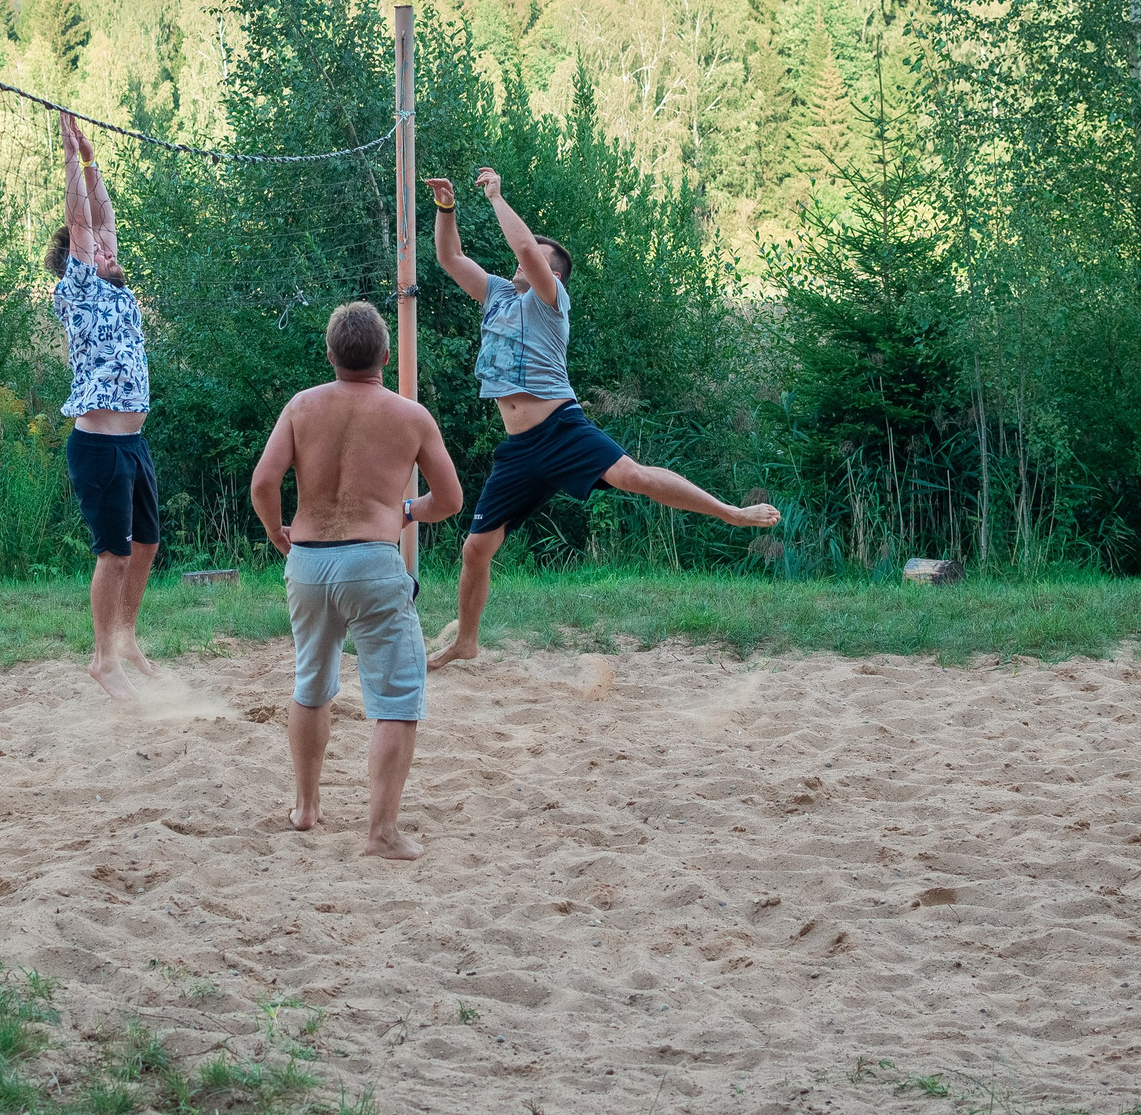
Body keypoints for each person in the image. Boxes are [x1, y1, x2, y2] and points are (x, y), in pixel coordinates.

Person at [421, 166, 779, 670]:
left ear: (554, 275)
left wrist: (498, 198)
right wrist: (446, 207)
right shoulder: (500, 294)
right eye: (526, 258)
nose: (522, 261)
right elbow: (450, 256)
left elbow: (526, 250)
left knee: (632, 476)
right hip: (520, 449)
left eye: (538, 259)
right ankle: (466, 640)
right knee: (476, 549)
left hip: (561, 428)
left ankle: (731, 512)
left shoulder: (551, 301)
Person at [249, 302, 464, 860]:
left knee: (310, 683)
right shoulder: (410, 416)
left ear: (330, 354)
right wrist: (406, 511)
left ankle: (305, 807)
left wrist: (279, 533)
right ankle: (381, 833)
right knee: (396, 698)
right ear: (386, 358)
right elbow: (452, 499)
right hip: (372, 559)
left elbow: (263, 481)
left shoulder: (301, 407)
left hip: (310, 561)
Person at [50, 112, 157, 700]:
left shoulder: (117, 289)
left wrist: (94, 163)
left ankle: (124, 636)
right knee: (113, 554)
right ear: (79, 258)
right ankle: (102, 660)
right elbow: (82, 223)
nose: (110, 245)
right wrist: (70, 164)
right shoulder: (79, 287)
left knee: (146, 545)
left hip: (133, 445)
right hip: (97, 446)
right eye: (99, 246)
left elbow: (102, 216)